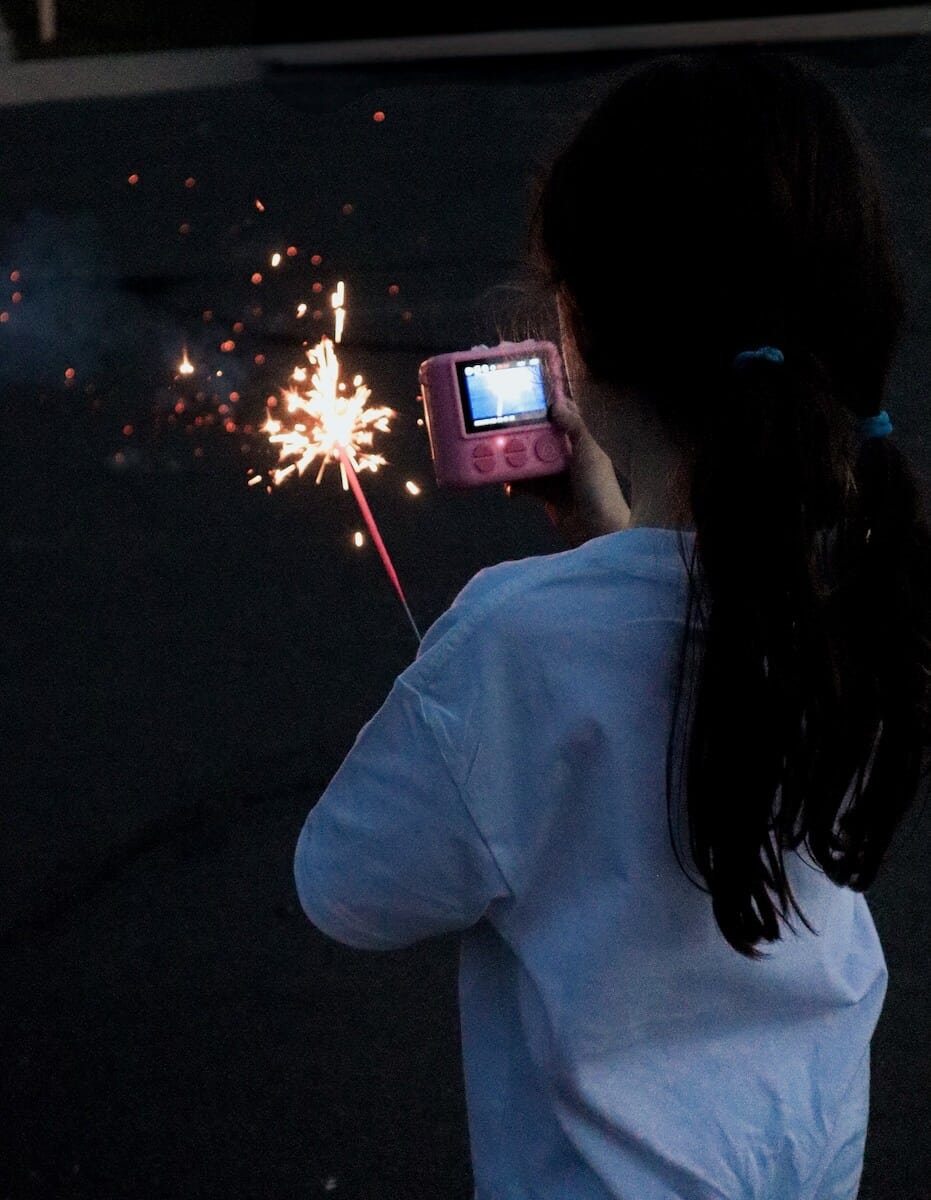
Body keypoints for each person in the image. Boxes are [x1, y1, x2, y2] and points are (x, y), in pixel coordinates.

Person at [293, 48, 931, 1199]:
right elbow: (689, 647)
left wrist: (469, 684)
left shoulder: (512, 645)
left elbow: (346, 887)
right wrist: (608, 552)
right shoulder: (861, 586)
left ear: (575, 334)